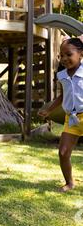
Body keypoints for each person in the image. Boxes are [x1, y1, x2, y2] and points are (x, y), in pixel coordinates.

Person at [39, 37, 83, 192]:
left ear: (81, 54)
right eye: (61, 55)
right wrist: (49, 110)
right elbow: (63, 95)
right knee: (63, 152)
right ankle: (70, 183)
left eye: (68, 54)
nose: (64, 58)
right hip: (71, 118)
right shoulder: (62, 75)